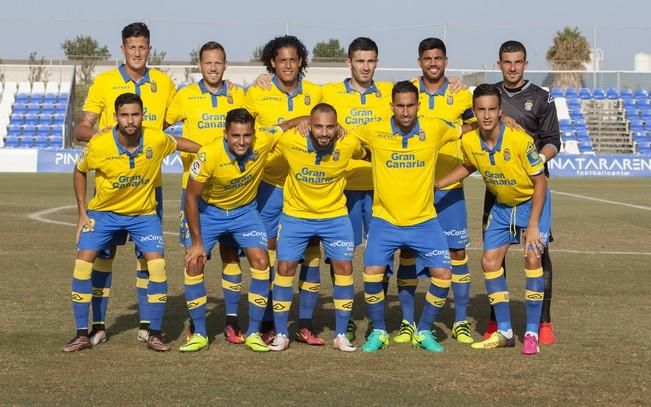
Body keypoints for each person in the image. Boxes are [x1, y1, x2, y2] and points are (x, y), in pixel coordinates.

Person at [63, 93, 199, 352]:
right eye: (124, 115)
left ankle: (154, 333)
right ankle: (82, 333)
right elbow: (80, 171)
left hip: (143, 215)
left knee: (157, 264)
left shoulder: (155, 139)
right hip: (103, 214)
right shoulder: (100, 144)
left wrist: (207, 151)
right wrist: (82, 212)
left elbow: (179, 143)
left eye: (135, 114)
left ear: (143, 116)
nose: (130, 120)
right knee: (83, 262)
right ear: (116, 117)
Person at [74, 22, 176, 346]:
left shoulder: (164, 83)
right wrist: (100, 138)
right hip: (110, 187)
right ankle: (99, 325)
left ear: (149, 48)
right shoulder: (104, 82)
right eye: (131, 47)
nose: (137, 52)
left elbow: (170, 128)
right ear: (122, 49)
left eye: (142, 47)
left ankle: (147, 325)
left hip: (149, 189)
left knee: (148, 258)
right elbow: (82, 128)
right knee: (103, 258)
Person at [355, 81, 472, 353]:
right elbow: (341, 133)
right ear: (391, 106)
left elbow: (467, 128)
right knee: (371, 274)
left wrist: (502, 119)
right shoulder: (374, 130)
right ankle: (380, 331)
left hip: (424, 220)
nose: (405, 112)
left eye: (410, 106)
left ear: (418, 106)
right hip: (385, 220)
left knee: (443, 276)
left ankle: (423, 330)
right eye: (400, 106)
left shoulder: (435, 127)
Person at [436, 83, 550, 355]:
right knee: (488, 262)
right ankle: (505, 332)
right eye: (481, 110)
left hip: (531, 204)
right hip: (501, 207)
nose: (486, 115)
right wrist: (438, 184)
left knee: (532, 258)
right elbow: (468, 166)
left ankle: (532, 332)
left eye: (491, 109)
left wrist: (533, 225)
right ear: (474, 112)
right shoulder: (469, 140)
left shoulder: (519, 140)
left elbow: (541, 182)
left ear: (500, 111)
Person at [387, 37, 477, 345]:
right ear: (420, 61)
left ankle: (461, 321)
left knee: (457, 253)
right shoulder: (407, 92)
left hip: (449, 189)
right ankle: (407, 323)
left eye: (438, 58)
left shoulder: (461, 94)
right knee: (408, 252)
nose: (433, 63)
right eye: (428, 58)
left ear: (446, 61)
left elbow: (479, 126)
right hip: (413, 190)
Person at [182, 108, 295, 352]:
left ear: (254, 134)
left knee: (261, 261)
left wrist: (307, 121)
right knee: (194, 261)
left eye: (247, 135)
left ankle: (254, 332)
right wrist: (197, 241)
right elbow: (191, 197)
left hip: (245, 213)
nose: (242, 141)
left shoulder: (263, 140)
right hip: (208, 212)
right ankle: (199, 333)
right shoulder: (209, 153)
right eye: (235, 136)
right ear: (225, 134)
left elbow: (287, 126)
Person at [164, 41, 247, 344]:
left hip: (233, 190)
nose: (213, 68)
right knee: (194, 258)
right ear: (199, 64)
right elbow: (159, 132)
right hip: (196, 191)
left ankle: (232, 321)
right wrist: (195, 148)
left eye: (218, 63)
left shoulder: (239, 94)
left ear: (226, 65)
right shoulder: (184, 96)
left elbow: (254, 130)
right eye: (208, 63)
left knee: (231, 256)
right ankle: (198, 326)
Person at [244, 35, 324, 345]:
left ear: (301, 61)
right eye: (282, 60)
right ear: (272, 63)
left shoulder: (317, 93)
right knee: (268, 253)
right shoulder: (257, 93)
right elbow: (246, 135)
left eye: (293, 59)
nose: (288, 65)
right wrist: (293, 122)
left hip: (306, 186)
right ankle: (267, 321)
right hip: (269, 185)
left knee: (311, 252)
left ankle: (305, 323)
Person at [482, 41, 560, 345]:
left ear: (525, 64)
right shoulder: (490, 96)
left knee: (538, 252)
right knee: (493, 255)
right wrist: (499, 118)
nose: (512, 67)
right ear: (499, 64)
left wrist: (536, 161)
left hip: (532, 187)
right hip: (497, 187)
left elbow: (553, 141)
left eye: (517, 62)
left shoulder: (542, 98)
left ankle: (544, 322)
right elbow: (467, 121)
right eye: (506, 62)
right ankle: (494, 321)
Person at [268, 103, 364, 352]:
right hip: (296, 216)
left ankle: (341, 335)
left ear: (337, 127)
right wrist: (291, 122)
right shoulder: (292, 140)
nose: (324, 133)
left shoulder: (348, 142)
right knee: (285, 268)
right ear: (309, 125)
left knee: (344, 268)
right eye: (318, 126)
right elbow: (267, 133)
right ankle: (281, 334)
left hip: (334, 216)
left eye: (330, 127)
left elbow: (364, 151)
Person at [320, 37, 392, 341]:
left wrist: (454, 81)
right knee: (342, 258)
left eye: (371, 60)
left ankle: (377, 320)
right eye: (360, 60)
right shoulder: (330, 93)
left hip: (381, 190)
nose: (365, 66)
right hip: (342, 190)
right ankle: (345, 318)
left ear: (376, 62)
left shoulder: (389, 93)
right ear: (349, 62)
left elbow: (429, 85)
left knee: (381, 259)